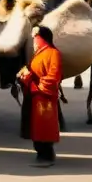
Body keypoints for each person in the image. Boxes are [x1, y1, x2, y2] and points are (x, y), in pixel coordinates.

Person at [18, 25, 63, 167]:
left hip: (44, 97)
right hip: (34, 95)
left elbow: (54, 77)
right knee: (36, 127)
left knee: (45, 127)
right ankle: (40, 153)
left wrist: (35, 85)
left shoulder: (53, 53)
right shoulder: (39, 53)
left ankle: (47, 155)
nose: (34, 41)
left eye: (36, 38)